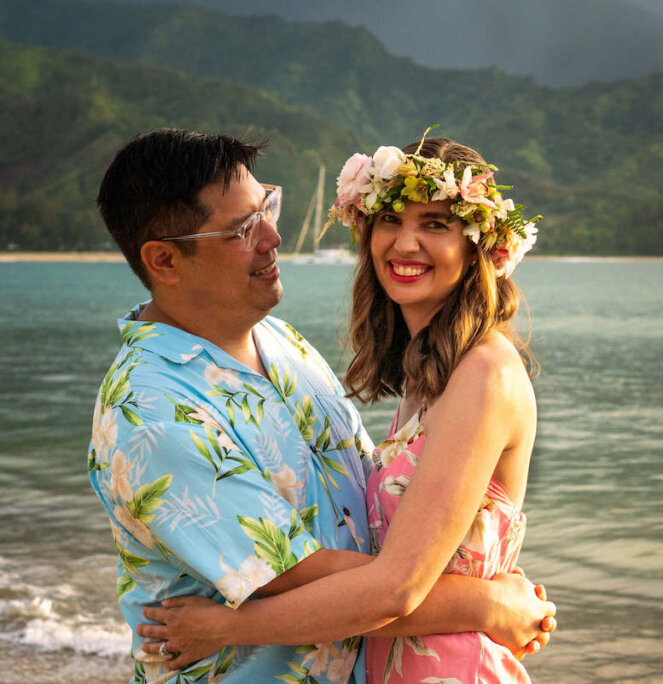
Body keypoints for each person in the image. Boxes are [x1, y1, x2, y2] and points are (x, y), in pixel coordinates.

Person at [88, 129, 554, 684]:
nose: (274, 236)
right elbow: (305, 573)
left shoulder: (283, 343)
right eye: (243, 228)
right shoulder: (152, 415)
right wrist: (487, 603)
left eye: (267, 208)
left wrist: (484, 591)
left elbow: (385, 553)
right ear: (165, 260)